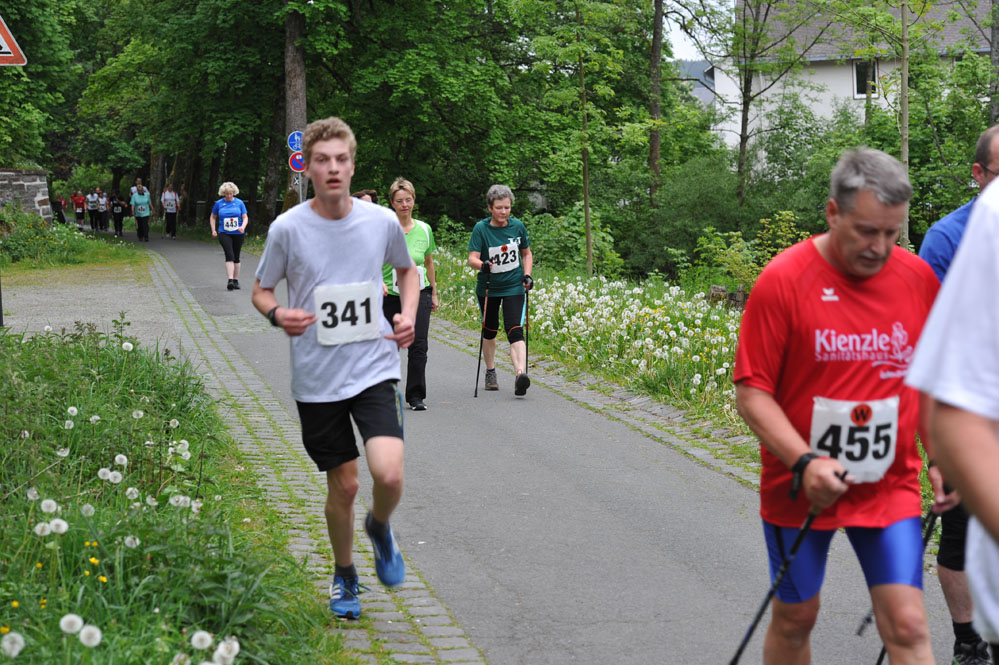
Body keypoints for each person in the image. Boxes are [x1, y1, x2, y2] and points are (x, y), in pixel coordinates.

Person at [732, 147, 956, 665]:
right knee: (796, 618)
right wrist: (805, 461)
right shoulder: (785, 279)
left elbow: (929, 381)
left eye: (892, 233)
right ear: (833, 213)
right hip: (801, 484)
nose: (880, 248)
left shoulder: (917, 279)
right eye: (866, 231)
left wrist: (941, 455)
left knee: (908, 624)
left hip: (889, 482)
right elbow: (752, 392)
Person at [251, 116, 417, 620]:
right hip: (318, 378)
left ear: (352, 165)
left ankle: (379, 526)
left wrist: (407, 314)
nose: (333, 168)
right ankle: (345, 574)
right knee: (344, 486)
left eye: (341, 159)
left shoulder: (380, 221)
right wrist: (278, 314)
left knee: (388, 474)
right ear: (307, 167)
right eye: (322, 160)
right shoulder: (287, 228)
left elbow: (407, 271)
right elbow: (261, 290)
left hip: (373, 367)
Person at [916, 125, 999, 665]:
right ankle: (968, 639)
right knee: (962, 534)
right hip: (973, 415)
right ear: (978, 174)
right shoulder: (948, 239)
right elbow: (933, 344)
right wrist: (937, 450)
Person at [467, 185, 533, 395]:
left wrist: (527, 274)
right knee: (490, 330)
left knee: (515, 329)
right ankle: (490, 371)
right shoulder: (481, 229)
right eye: (499, 208)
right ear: (490, 208)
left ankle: (520, 374)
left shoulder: (517, 226)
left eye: (507, 207)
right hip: (489, 288)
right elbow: (472, 258)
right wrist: (483, 265)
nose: (504, 212)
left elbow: (526, 253)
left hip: (514, 286)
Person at [382, 177, 438, 411]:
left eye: (408, 200)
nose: (404, 205)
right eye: (399, 201)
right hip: (390, 294)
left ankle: (415, 396)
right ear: (392, 203)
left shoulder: (424, 229)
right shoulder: (384, 229)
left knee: (419, 345)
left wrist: (434, 292)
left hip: (419, 292)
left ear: (414, 200)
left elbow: (428, 261)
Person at [210, 182, 249, 291]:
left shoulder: (239, 203)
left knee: (236, 257)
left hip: (238, 233)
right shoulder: (218, 204)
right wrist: (213, 230)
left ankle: (236, 280)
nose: (229, 196)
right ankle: (230, 280)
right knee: (229, 254)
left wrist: (242, 227)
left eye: (231, 193)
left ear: (234, 193)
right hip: (224, 232)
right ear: (223, 193)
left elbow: (245, 217)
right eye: (227, 194)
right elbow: (213, 217)